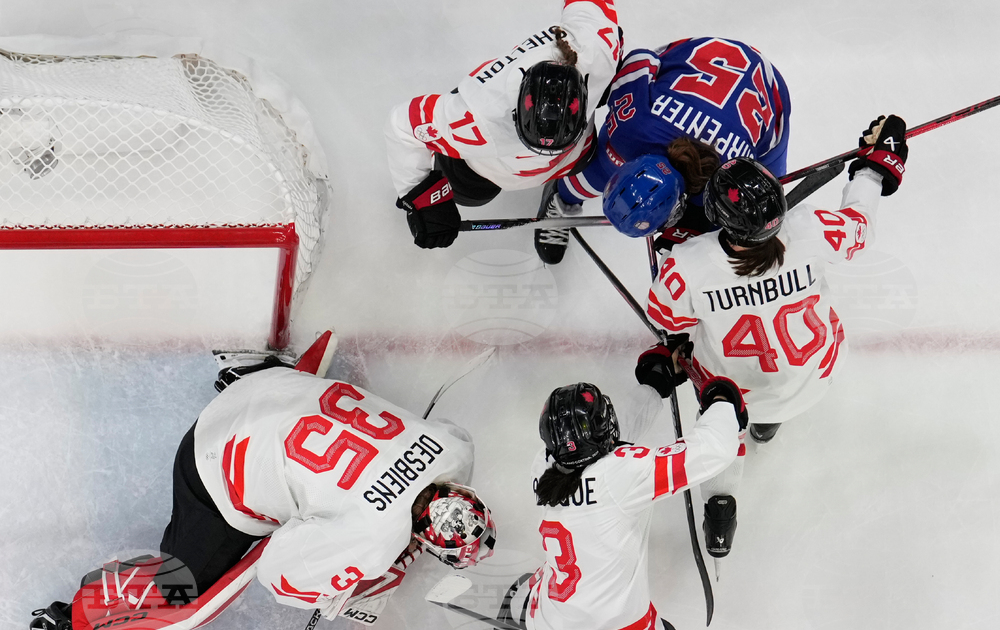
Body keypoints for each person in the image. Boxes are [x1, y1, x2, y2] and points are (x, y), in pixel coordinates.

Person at [29, 331, 496, 630]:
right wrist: (341, 585)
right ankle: (75, 617)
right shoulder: (374, 538)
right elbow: (277, 575)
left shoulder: (453, 449)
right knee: (181, 587)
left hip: (270, 392)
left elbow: (444, 440)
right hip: (212, 460)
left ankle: (249, 371)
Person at [643, 114, 908, 566]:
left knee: (720, 414)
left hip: (739, 396)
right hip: (817, 377)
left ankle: (721, 504)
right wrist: (874, 167)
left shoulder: (687, 265)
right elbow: (860, 224)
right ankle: (768, 424)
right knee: (772, 384)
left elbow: (669, 321)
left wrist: (672, 248)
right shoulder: (811, 228)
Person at [385, 0, 622, 249]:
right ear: (513, 114)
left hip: (574, 152)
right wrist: (423, 197)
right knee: (468, 191)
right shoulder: (477, 116)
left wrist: (614, 67)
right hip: (485, 164)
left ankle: (561, 188)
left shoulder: (597, 51)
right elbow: (401, 125)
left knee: (595, 156)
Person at [520, 348, 746, 630]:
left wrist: (655, 385)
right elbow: (713, 449)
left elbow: (601, 447)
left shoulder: (543, 466)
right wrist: (723, 401)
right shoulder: (621, 475)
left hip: (547, 619)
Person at [535, 36, 792, 263]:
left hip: (767, 89)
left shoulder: (727, 175)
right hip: (711, 63)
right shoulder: (632, 129)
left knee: (739, 214)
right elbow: (639, 58)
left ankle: (565, 199)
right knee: (605, 163)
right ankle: (561, 201)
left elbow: (640, 60)